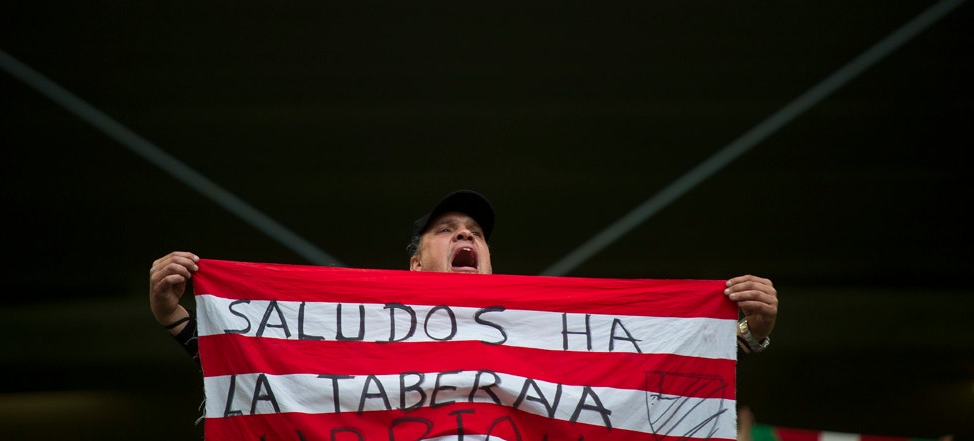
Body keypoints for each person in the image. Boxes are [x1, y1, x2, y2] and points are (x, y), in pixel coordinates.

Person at [150, 189, 779, 361]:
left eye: (475, 234)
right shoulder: (361, 324)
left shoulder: (545, 328)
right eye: (449, 230)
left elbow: (642, 372)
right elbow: (279, 363)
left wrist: (748, 336)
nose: (466, 238)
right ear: (415, 260)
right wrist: (180, 321)